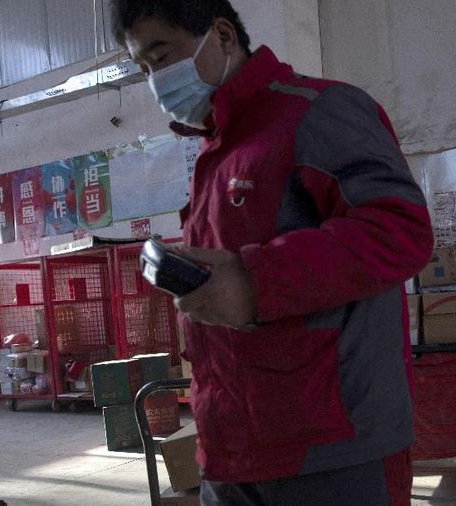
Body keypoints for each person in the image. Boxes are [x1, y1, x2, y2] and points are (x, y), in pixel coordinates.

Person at [111, 1, 434, 504]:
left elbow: (399, 230)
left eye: (162, 56)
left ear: (221, 36)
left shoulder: (319, 110)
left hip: (331, 449)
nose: (157, 81)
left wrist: (253, 281)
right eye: (145, 69)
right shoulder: (216, 152)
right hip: (231, 443)